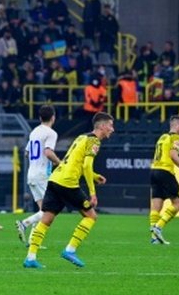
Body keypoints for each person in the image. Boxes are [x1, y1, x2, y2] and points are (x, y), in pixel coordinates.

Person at [23, 112, 113, 269]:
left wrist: (95, 176)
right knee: (91, 216)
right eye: (111, 126)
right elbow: (86, 165)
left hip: (55, 179)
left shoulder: (81, 137)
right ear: (103, 126)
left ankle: (30, 258)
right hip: (68, 183)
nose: (112, 129)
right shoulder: (94, 141)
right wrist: (92, 192)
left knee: (46, 219)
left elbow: (75, 162)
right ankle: (70, 250)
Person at [15, 105, 60, 243]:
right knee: (50, 210)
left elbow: (27, 153)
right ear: (53, 117)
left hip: (32, 173)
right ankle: (24, 223)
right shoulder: (51, 133)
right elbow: (48, 152)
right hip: (42, 175)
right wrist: (59, 162)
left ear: (40, 118)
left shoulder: (34, 132)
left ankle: (33, 242)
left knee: (43, 209)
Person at [149, 115, 179, 245]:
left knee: (156, 205)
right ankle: (158, 227)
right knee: (178, 203)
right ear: (176, 126)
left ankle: (154, 238)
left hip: (154, 171)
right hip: (165, 171)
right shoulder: (175, 137)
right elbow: (173, 155)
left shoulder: (163, 137)